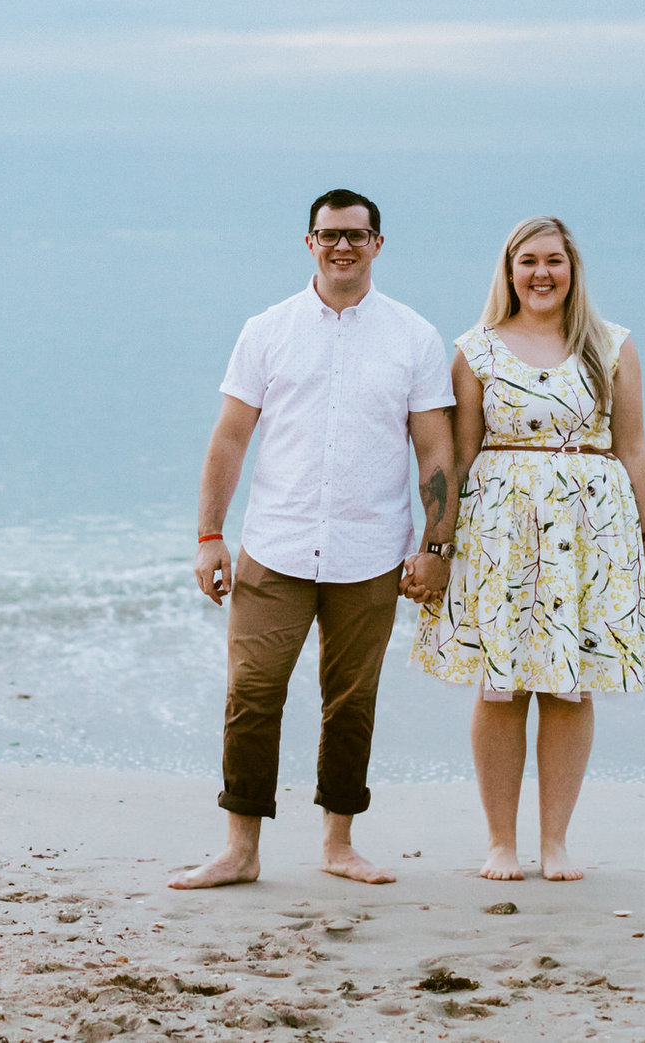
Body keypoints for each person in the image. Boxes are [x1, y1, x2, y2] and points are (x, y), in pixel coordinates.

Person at [171, 189, 457, 891]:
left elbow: (436, 453)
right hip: (277, 546)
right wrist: (210, 534)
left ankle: (339, 842)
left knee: (351, 700)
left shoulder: (414, 336)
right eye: (330, 234)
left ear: (378, 244)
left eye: (357, 236)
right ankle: (240, 849)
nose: (343, 247)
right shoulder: (267, 329)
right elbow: (231, 437)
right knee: (252, 694)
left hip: (371, 552)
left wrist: (436, 547)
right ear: (309, 242)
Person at [412, 216, 645, 882]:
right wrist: (437, 546)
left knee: (568, 686)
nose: (541, 273)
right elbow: (458, 457)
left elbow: (633, 447)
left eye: (553, 260)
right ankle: (501, 842)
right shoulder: (477, 349)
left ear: (573, 268)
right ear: (509, 270)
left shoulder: (611, 346)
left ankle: (556, 841)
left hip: (591, 535)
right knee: (501, 687)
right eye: (528, 261)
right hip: (499, 534)